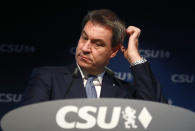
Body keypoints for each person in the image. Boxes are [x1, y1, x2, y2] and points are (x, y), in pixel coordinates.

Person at [21, 9, 167, 105]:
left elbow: (157, 114)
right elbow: (27, 123)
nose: (85, 48)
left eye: (97, 44)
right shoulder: (47, 77)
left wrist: (135, 58)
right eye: (84, 38)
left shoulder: (125, 91)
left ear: (114, 51)